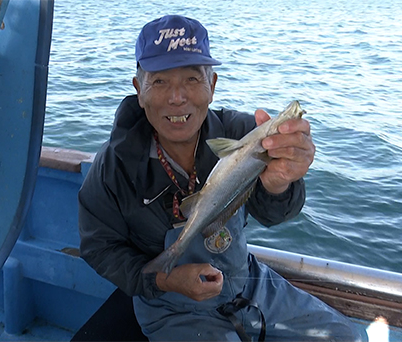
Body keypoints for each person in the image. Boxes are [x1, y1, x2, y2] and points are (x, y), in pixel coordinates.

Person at [78, 14, 368, 342]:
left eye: (191, 79)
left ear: (212, 86)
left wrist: (279, 183)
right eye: (159, 81)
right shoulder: (113, 166)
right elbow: (98, 248)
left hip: (247, 283)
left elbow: (275, 215)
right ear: (138, 90)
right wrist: (164, 280)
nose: (177, 97)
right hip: (169, 305)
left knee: (346, 337)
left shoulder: (240, 132)